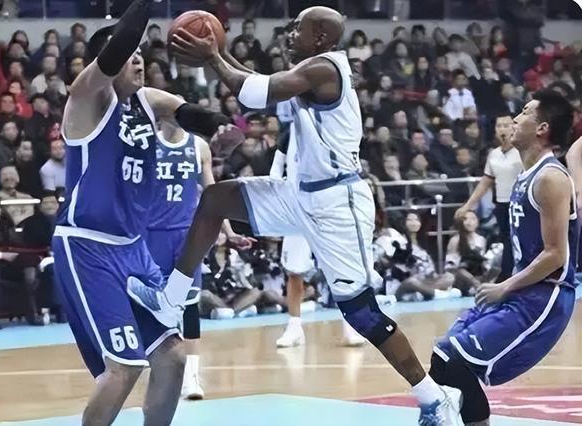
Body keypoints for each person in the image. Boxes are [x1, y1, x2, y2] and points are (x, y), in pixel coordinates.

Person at [152, 6, 462, 424]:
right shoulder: (309, 72)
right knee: (216, 199)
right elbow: (261, 85)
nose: (289, 32)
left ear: (320, 38)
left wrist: (212, 57)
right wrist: (219, 56)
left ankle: (434, 398)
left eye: (298, 27)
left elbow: (255, 93)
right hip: (299, 194)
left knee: (362, 314)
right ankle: (172, 297)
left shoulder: (324, 68)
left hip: (337, 204)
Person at [50, 2, 233, 424]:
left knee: (172, 355)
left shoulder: (147, 102)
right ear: (105, 61)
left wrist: (221, 128)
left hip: (133, 249)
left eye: (141, 56)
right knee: (124, 366)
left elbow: (187, 112)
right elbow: (118, 47)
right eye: (130, 55)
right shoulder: (86, 99)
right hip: (88, 246)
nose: (139, 61)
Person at [430, 90, 577, 425]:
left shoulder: (551, 178)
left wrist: (504, 286)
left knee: (453, 360)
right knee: (443, 356)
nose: (514, 118)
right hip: (522, 289)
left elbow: (556, 255)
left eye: (524, 112)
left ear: (541, 128)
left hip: (544, 297)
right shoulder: (525, 175)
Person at [145, 118, 252, 400]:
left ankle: (191, 376)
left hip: (186, 234)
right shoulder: (148, 143)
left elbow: (211, 193)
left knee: (189, 305)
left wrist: (229, 232)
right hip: (152, 234)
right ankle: (161, 370)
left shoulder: (198, 147)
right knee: (157, 307)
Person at [271, 126, 365, 349]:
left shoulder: (333, 129)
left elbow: (351, 168)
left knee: (341, 269)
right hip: (297, 209)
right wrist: (279, 197)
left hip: (329, 207)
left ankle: (350, 325)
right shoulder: (289, 133)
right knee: (294, 271)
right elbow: (276, 170)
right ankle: (294, 327)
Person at [455, 115, 523, 281]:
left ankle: (512, 275)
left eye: (506, 125)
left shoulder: (521, 151)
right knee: (507, 240)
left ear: (514, 127)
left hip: (521, 202)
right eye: (499, 126)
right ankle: (508, 276)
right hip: (502, 203)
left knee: (521, 240)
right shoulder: (494, 154)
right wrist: (468, 206)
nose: (502, 129)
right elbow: (486, 181)